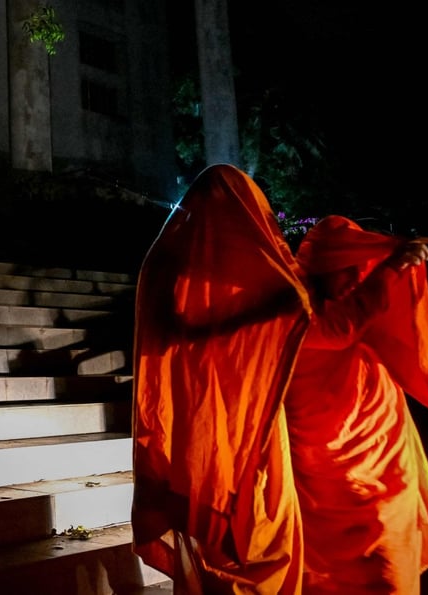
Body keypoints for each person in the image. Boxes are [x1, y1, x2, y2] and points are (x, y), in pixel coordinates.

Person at [130, 163, 312, 593]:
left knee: (261, 522)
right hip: (211, 419)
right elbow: (180, 329)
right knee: (224, 526)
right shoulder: (174, 260)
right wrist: (266, 312)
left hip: (246, 415)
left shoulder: (229, 260)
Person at [285, 215, 428, 594]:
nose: (354, 278)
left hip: (385, 453)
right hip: (323, 466)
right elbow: (339, 329)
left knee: (391, 553)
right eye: (344, 270)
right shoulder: (292, 311)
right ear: (320, 271)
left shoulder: (349, 310)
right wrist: (393, 268)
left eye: (357, 269)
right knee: (331, 567)